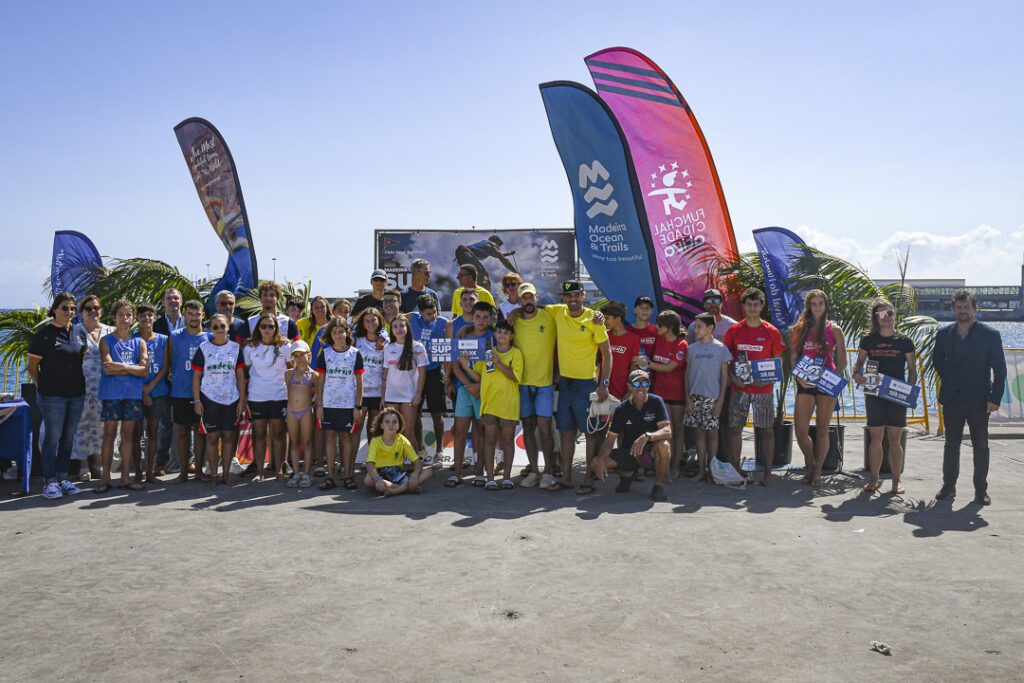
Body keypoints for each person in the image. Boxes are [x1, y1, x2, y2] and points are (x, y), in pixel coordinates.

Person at [933, 289, 1006, 505]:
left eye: (966, 307)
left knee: (981, 445)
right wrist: (951, 379)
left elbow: (1000, 370)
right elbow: (938, 361)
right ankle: (948, 487)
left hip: (980, 399)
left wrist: (995, 398)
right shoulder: (944, 334)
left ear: (975, 309)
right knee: (951, 444)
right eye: (958, 307)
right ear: (954, 308)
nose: (962, 311)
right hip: (952, 397)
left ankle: (981, 491)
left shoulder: (990, 335)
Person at [546, 280, 611, 494]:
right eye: (568, 296)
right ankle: (565, 478)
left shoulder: (594, 319)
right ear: (563, 298)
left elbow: (607, 354)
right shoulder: (557, 312)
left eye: (576, 295)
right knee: (566, 432)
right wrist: (515, 313)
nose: (572, 299)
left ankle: (588, 480)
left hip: (586, 385)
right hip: (565, 383)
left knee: (589, 433)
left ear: (583, 295)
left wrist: (604, 383)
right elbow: (531, 307)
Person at [852, 298, 917, 494]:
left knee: (895, 440)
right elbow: (858, 366)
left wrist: (909, 390)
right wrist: (857, 376)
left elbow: (912, 370)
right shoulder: (868, 340)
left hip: (897, 396)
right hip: (875, 395)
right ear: (876, 318)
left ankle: (896, 481)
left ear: (894, 316)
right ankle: (874, 479)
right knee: (876, 439)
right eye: (881, 314)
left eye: (889, 313)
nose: (886, 317)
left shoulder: (905, 341)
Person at [27, 293, 87, 499]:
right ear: (54, 309)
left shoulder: (79, 333)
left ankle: (63, 478)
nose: (69, 312)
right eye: (64, 308)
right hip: (52, 397)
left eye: (72, 309)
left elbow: (79, 360)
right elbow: (32, 367)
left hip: (77, 395)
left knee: (68, 438)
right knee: (52, 438)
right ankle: (49, 482)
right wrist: (41, 386)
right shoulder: (44, 335)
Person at [723, 288, 786, 485]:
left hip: (763, 391)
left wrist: (768, 380)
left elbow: (778, 361)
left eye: (756, 304)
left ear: (762, 306)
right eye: (749, 304)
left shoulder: (771, 331)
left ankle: (768, 472)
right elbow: (726, 360)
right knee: (735, 429)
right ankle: (735, 470)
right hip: (739, 389)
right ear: (743, 306)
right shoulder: (734, 330)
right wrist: (733, 379)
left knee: (766, 430)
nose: (752, 308)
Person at [790, 289, 848, 487]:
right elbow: (793, 357)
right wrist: (799, 377)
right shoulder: (799, 329)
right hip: (805, 382)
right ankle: (810, 462)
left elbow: (842, 361)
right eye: (813, 304)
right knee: (800, 430)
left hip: (826, 383)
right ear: (808, 306)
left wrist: (833, 379)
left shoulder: (834, 329)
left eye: (820, 303)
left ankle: (817, 471)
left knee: (823, 428)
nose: (817, 307)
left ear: (826, 305)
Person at [459, 319, 523, 490]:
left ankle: (507, 477)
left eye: (506, 332)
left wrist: (498, 364)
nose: (502, 335)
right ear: (495, 334)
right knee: (489, 441)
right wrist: (466, 367)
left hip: (509, 403)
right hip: (489, 403)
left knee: (508, 441)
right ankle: (490, 477)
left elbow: (516, 377)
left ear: (511, 336)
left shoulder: (516, 353)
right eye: (499, 332)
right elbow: (480, 377)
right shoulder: (487, 353)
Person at [591, 369, 671, 501]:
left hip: (651, 453)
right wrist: (600, 459)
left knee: (664, 445)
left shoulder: (656, 401)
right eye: (636, 384)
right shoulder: (622, 409)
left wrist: (647, 436)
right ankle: (627, 474)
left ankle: (658, 485)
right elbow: (610, 440)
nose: (641, 388)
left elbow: (668, 430)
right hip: (630, 453)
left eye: (644, 384)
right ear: (629, 386)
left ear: (649, 385)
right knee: (595, 463)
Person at [97, 300, 149, 493]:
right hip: (111, 395)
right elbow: (108, 368)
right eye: (121, 314)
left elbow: (145, 370)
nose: (124, 318)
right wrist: (132, 369)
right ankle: (105, 478)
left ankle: (125, 477)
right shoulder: (106, 341)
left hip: (132, 395)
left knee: (127, 436)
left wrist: (124, 367)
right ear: (113, 317)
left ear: (133, 318)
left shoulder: (139, 342)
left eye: (128, 315)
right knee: (109, 435)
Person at [192, 313, 247, 486]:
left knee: (229, 437)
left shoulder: (235, 348)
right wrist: (197, 401)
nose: (219, 330)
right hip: (209, 398)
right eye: (215, 327)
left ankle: (226, 474)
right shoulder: (204, 348)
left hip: (231, 399)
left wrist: (242, 401)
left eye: (222, 326)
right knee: (212, 438)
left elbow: (240, 377)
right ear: (210, 329)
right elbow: (196, 377)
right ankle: (214, 475)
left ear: (228, 327)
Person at [511, 283, 557, 488]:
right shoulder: (513, 320)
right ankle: (533, 470)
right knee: (528, 427)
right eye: (524, 298)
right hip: (522, 383)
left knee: (545, 428)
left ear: (536, 298)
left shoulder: (550, 317)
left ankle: (548, 472)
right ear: (519, 300)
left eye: (531, 297)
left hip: (545, 383)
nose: (528, 301)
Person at [446, 301, 495, 487]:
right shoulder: (462, 336)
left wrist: (480, 386)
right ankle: (456, 472)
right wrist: (468, 385)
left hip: (484, 390)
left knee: (480, 431)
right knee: (459, 431)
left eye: (485, 317)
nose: (481, 320)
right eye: (477, 316)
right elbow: (457, 366)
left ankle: (479, 470)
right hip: (464, 389)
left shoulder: (492, 338)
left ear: (490, 319)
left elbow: (492, 368)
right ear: (472, 317)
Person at [315, 319, 364, 490]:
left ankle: (348, 475)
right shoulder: (325, 353)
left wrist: (357, 406)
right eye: (334, 332)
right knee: (329, 438)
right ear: (330, 335)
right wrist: (319, 405)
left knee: (346, 438)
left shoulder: (355, 353)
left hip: (348, 404)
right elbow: (320, 381)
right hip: (328, 404)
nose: (338, 335)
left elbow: (359, 382)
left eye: (341, 331)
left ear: (347, 333)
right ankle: (330, 476)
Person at [685, 312, 732, 482]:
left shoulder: (721, 348)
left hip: (712, 398)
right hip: (695, 397)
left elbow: (724, 377)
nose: (695, 329)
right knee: (699, 434)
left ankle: (713, 471)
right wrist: (687, 398)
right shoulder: (691, 349)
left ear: (710, 328)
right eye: (695, 326)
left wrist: (720, 401)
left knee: (713, 434)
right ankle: (701, 470)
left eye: (699, 326)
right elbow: (687, 374)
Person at [244, 313, 291, 481]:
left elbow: (292, 368)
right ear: (258, 328)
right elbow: (244, 373)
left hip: (279, 395)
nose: (267, 329)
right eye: (263, 326)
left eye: (271, 326)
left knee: (278, 433)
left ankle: (279, 469)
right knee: (259, 435)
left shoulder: (285, 346)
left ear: (276, 328)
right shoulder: (250, 347)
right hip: (257, 396)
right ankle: (259, 472)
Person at [71, 294, 113, 479]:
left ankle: (98, 463)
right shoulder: (73, 331)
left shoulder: (110, 331)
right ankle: (83, 465)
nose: (93, 311)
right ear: (81, 312)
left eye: (96, 308)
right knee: (81, 426)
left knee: (101, 426)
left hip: (105, 388)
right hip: (80, 387)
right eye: (88, 308)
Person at [167, 300, 208, 483]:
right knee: (182, 432)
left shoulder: (209, 338)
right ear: (185, 315)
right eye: (190, 314)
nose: (193, 317)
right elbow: (168, 363)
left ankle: (199, 470)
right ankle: (183, 472)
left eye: (197, 314)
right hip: (180, 392)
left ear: (202, 315)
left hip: (203, 393)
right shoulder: (174, 336)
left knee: (200, 432)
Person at [646, 310, 688, 478]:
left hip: (677, 395)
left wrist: (648, 364)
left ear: (670, 327)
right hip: (659, 394)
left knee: (677, 431)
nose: (657, 327)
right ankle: (663, 465)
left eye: (660, 325)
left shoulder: (681, 344)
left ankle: (675, 467)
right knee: (664, 431)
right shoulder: (658, 339)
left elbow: (670, 367)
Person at [410, 294, 450, 467]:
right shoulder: (412, 318)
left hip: (434, 372)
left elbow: (449, 350)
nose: (432, 316)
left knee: (437, 413)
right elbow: (394, 316)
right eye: (428, 314)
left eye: (434, 312)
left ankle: (439, 451)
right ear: (420, 312)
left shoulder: (444, 323)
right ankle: (420, 449)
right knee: (414, 413)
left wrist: (447, 376)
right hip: (415, 374)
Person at [134, 302, 170, 484]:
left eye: (149, 315)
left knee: (153, 432)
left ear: (155, 318)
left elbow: (165, 368)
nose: (146, 319)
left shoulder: (163, 339)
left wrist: (149, 389)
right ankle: (137, 472)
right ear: (136, 319)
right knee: (136, 433)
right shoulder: (132, 339)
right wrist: (142, 391)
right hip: (136, 392)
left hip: (158, 391)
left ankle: (150, 471)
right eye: (142, 316)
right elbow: (130, 368)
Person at [382, 315, 428, 453]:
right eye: (395, 326)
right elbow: (385, 375)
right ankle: (396, 466)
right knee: (393, 433)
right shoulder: (388, 348)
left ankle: (414, 466)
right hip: (391, 395)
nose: (398, 329)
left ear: (407, 327)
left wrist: (418, 394)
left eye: (401, 326)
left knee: (408, 432)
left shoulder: (418, 347)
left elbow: (422, 373)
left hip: (409, 396)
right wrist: (383, 396)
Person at [153, 287, 186, 474]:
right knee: (165, 423)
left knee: (186, 424)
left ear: (181, 301)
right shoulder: (156, 325)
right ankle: (160, 462)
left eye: (176, 298)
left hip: (185, 381)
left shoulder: (189, 322)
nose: (173, 301)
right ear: (164, 303)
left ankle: (187, 461)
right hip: (162, 381)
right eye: (169, 298)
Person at [363, 408, 431, 496]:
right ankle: (406, 488)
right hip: (380, 474)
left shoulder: (402, 439)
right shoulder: (375, 441)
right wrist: (377, 479)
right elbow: (369, 464)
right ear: (381, 425)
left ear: (399, 425)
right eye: (387, 422)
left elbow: (417, 461)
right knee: (367, 480)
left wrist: (415, 474)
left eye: (394, 422)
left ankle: (396, 490)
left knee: (428, 472)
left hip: (397, 473)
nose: (391, 425)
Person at [353, 307, 387, 449]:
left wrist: (383, 336)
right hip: (360, 391)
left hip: (378, 392)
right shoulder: (356, 340)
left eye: (373, 319)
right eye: (367, 321)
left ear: (379, 321)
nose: (370, 323)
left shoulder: (387, 341)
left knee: (374, 429)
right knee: (356, 428)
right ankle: (350, 463)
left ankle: (370, 461)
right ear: (363, 323)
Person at [286, 341, 317, 487]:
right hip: (292, 412)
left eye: (302, 354)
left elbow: (317, 395)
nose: (299, 358)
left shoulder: (314, 375)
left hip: (306, 412)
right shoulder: (289, 374)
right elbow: (288, 392)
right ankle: (296, 473)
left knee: (308, 442)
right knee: (294, 442)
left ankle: (306, 473)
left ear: (308, 355)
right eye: (295, 355)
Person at [600, 301, 642, 402]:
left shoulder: (634, 339)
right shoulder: (602, 335)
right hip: (602, 389)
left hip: (622, 391)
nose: (604, 321)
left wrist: (630, 390)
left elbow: (634, 365)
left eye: (607, 318)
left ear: (618, 319)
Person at [627, 296, 657, 362]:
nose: (644, 310)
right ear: (635, 310)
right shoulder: (626, 331)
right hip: (631, 371)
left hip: (652, 371)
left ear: (652, 311)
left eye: (647, 308)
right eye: (641, 307)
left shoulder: (657, 331)